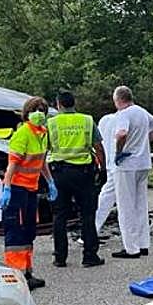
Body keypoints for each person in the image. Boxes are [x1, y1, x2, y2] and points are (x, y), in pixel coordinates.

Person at [0, 96, 55, 290]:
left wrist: (50, 181)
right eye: (35, 109)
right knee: (16, 232)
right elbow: (12, 165)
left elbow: (41, 162)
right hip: (16, 189)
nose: (39, 113)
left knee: (29, 230)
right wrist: (7, 188)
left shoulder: (42, 133)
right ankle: (15, 276)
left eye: (42, 110)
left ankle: (27, 272)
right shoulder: (23, 134)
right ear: (27, 113)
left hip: (31, 189)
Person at [47, 91, 104, 268]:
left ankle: (60, 257)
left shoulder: (51, 123)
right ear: (74, 103)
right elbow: (98, 147)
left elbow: (44, 148)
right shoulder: (87, 120)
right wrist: (103, 169)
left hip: (59, 173)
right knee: (87, 214)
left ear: (58, 105)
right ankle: (89, 256)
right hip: (83, 173)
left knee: (59, 215)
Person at [109, 86, 153, 260]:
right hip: (143, 163)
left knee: (125, 207)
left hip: (127, 165)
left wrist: (119, 151)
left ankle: (131, 248)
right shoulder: (141, 112)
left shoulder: (123, 114)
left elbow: (122, 133)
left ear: (118, 100)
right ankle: (143, 243)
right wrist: (143, 143)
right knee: (140, 204)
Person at [91, 110, 118, 239]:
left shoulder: (104, 121)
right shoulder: (122, 120)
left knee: (105, 199)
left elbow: (99, 145)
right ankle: (138, 236)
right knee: (130, 201)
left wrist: (102, 166)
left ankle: (91, 231)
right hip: (120, 165)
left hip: (110, 165)